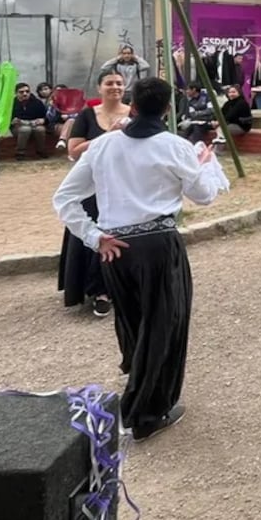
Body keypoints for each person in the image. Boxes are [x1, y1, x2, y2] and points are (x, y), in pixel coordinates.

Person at [52, 77, 228, 442]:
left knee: (134, 322)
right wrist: (205, 164)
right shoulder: (176, 147)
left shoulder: (103, 146)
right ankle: (147, 412)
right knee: (165, 323)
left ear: (132, 104)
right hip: (159, 245)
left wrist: (94, 236)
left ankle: (140, 381)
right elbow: (205, 196)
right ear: (167, 108)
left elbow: (65, 198)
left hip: (116, 247)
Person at [58, 69, 130, 318]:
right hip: (92, 186)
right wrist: (107, 137)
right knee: (94, 234)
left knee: (121, 235)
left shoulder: (133, 114)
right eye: (109, 83)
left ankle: (115, 289)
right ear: (99, 88)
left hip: (123, 185)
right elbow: (74, 150)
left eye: (119, 83)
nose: (115, 87)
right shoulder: (88, 115)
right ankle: (96, 291)